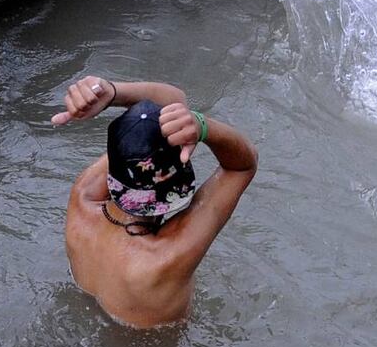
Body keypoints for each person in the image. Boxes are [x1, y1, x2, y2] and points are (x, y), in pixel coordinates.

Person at [53, 76, 258, 328]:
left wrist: (111, 92)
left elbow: (173, 104)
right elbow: (242, 167)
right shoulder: (167, 255)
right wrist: (203, 127)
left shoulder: (82, 198)